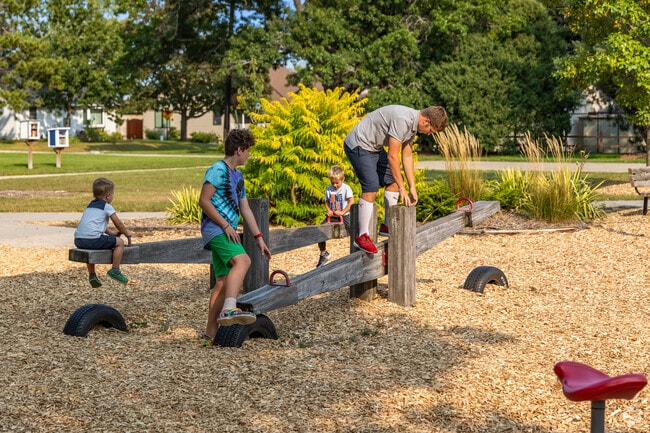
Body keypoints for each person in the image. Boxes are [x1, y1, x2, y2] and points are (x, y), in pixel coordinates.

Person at [199, 128, 272, 346]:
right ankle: (229, 308)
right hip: (216, 229)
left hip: (225, 229)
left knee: (221, 282)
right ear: (239, 150)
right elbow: (204, 200)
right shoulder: (217, 170)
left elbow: (245, 209)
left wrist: (259, 238)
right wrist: (224, 225)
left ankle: (209, 336)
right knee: (243, 260)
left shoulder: (238, 176)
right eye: (248, 151)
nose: (249, 155)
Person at [344, 105, 448, 254]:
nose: (429, 134)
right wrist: (402, 188)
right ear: (426, 121)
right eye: (431, 130)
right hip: (359, 145)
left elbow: (407, 156)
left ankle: (387, 226)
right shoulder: (403, 120)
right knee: (371, 186)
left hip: (374, 148)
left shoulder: (412, 126)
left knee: (392, 182)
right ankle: (362, 236)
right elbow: (392, 156)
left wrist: (411, 186)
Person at [74, 177, 133, 287]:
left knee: (89, 248)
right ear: (108, 196)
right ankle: (115, 270)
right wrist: (126, 233)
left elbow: (97, 225)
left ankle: (92, 275)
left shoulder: (90, 206)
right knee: (119, 242)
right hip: (93, 239)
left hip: (79, 240)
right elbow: (118, 223)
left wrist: (112, 233)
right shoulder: (107, 207)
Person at [316, 165, 355, 268]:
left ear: (342, 179)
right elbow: (327, 202)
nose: (335, 185)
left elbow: (351, 202)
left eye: (337, 183)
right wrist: (328, 210)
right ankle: (323, 253)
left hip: (344, 215)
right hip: (332, 215)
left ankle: (355, 252)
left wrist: (342, 212)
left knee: (353, 230)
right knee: (320, 231)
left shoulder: (346, 188)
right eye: (332, 183)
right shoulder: (329, 189)